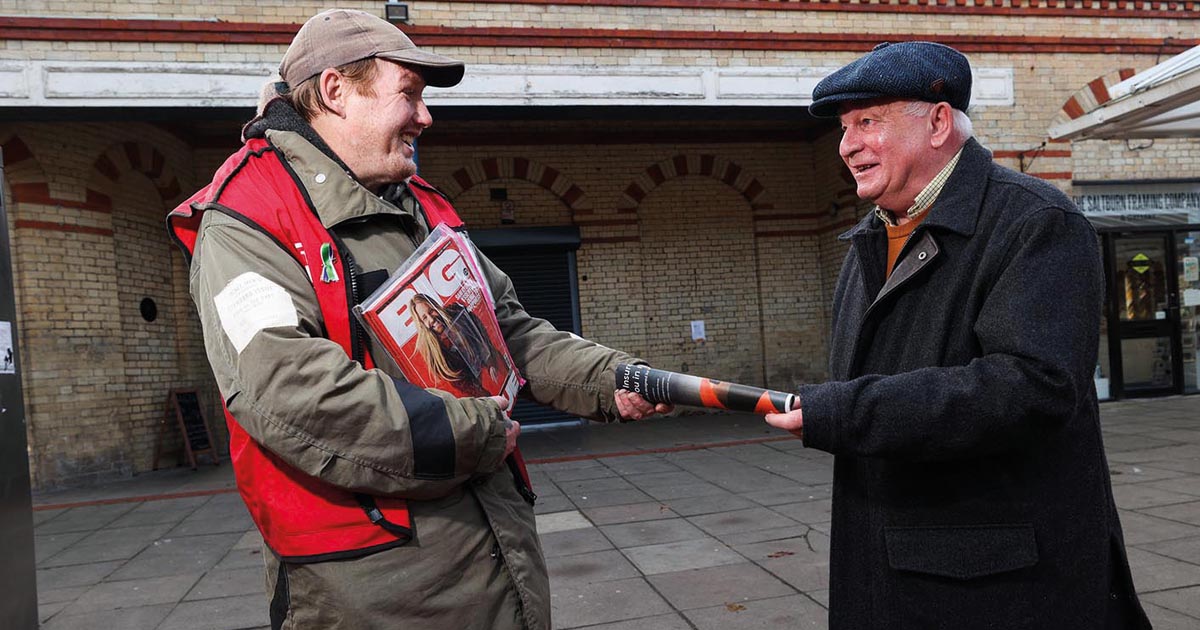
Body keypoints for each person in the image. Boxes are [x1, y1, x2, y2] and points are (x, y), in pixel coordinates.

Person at [166, 9, 669, 629]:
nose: (426, 116)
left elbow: (506, 331)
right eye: (408, 93)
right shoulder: (247, 216)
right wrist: (474, 433)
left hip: (489, 559)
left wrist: (614, 379)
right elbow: (286, 388)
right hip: (374, 589)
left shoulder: (421, 206)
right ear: (335, 91)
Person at [764, 42, 1150, 629]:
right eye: (844, 129)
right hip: (887, 568)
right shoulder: (869, 240)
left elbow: (1032, 388)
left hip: (997, 586)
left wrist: (848, 411)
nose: (847, 146)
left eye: (867, 121)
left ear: (939, 122)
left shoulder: (1035, 222)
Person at [410, 293, 502, 398]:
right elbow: (461, 383)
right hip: (478, 387)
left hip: (492, 362)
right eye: (424, 318)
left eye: (431, 311)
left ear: (436, 306)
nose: (431, 319)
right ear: (422, 324)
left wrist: (489, 361)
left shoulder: (456, 313)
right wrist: (486, 399)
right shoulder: (434, 351)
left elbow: (480, 333)